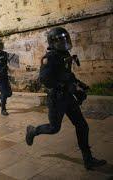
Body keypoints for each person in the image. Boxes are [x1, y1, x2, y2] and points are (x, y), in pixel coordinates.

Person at [25, 27, 106, 170]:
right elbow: (44, 79)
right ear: (52, 42)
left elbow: (68, 74)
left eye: (64, 39)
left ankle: (88, 160)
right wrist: (62, 84)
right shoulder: (49, 58)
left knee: (82, 125)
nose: (63, 42)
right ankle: (33, 131)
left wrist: (79, 84)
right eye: (60, 40)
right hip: (56, 99)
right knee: (54, 128)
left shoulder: (65, 54)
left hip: (68, 97)